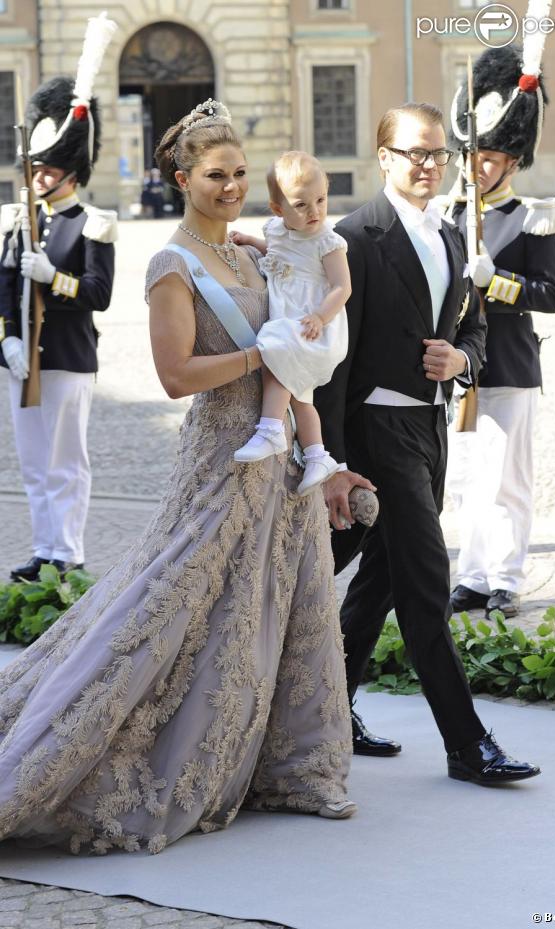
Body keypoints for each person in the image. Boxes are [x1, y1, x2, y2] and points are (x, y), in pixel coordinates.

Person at [0, 99, 355, 855]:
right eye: (214, 175)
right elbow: (175, 376)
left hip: (281, 456)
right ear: (181, 177)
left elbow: (318, 291)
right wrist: (264, 353)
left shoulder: (252, 252)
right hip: (222, 456)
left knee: (279, 600)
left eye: (238, 174)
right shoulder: (172, 264)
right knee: (175, 606)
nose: (231, 187)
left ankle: (291, 767)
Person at [314, 101, 540, 785]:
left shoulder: (450, 237)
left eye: (437, 153)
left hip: (429, 428)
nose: (428, 165)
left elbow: (474, 327)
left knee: (378, 577)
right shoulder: (353, 237)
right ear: (384, 158)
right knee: (424, 584)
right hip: (375, 431)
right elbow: (332, 362)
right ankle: (467, 745)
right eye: (414, 152)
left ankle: (332, 711)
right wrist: (332, 460)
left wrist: (461, 359)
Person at [445, 45, 555, 620]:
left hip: (511, 363)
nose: (480, 167)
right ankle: (470, 576)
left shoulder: (533, 216)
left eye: (493, 158)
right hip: (460, 369)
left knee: (506, 480)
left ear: (514, 160)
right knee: (467, 479)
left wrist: (497, 283)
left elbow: (551, 295)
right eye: (474, 155)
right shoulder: (446, 215)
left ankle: (506, 578)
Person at [0, 18, 117, 581]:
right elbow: (1, 292)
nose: (37, 175)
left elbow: (99, 293)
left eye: (45, 168)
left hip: (70, 356)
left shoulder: (93, 224)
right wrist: (9, 340)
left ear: (67, 172)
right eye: (35, 167)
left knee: (66, 462)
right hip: (25, 360)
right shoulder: (19, 220)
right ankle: (44, 549)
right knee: (32, 464)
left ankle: (67, 554)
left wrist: (52, 277)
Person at [231, 151, 350, 496]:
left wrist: (320, 316)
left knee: (276, 350)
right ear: (278, 209)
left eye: (321, 200)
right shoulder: (279, 231)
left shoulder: (328, 241)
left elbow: (343, 286)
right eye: (301, 205)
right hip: (291, 319)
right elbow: (280, 252)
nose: (315, 212)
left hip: (314, 325)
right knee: (300, 396)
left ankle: (270, 429)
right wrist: (252, 242)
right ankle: (317, 454)